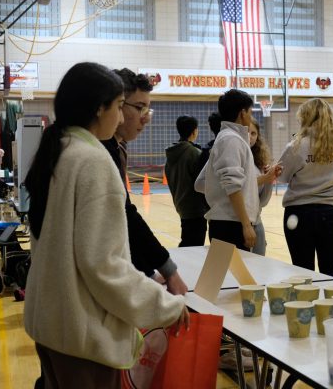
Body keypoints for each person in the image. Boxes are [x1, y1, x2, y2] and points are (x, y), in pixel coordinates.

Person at [23, 62, 188, 388]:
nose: (122, 115)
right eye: (118, 105)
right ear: (101, 108)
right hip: (82, 336)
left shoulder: (60, 149)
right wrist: (164, 305)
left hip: (52, 327)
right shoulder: (93, 160)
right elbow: (103, 265)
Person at [101, 68, 187, 295]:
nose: (145, 118)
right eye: (139, 108)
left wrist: (146, 271)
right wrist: (167, 270)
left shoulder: (116, 145)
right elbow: (124, 214)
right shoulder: (98, 151)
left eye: (147, 109)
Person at [278, 98, 333, 277]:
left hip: (299, 213)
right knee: (331, 270)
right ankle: (331, 305)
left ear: (305, 118)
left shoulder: (296, 146)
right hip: (332, 212)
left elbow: (282, 177)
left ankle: (305, 305)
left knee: (302, 270)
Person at [194, 89, 268, 251]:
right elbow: (232, 185)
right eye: (250, 111)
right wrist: (246, 225)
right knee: (230, 276)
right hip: (230, 225)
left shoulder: (232, 138)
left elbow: (200, 182)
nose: (250, 116)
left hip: (230, 223)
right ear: (242, 113)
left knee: (229, 276)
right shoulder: (230, 139)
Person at [165, 115, 209, 246]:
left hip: (181, 204)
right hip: (195, 208)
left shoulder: (172, 153)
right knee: (193, 245)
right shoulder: (194, 153)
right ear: (194, 131)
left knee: (188, 240)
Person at [249, 118, 281, 255]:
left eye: (253, 133)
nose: (249, 137)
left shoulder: (258, 162)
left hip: (256, 223)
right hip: (233, 224)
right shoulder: (229, 154)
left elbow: (262, 202)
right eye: (246, 132)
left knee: (259, 271)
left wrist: (268, 179)